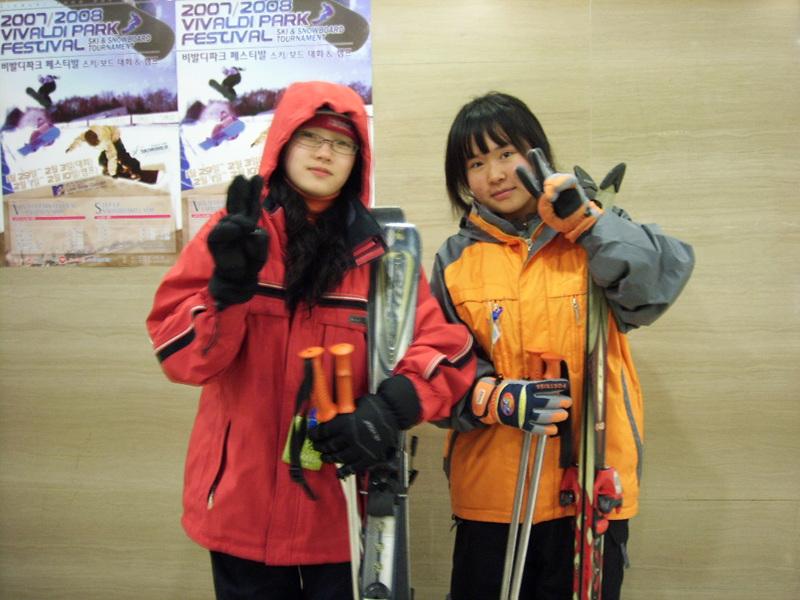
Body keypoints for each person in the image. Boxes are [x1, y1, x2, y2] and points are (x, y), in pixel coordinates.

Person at [146, 80, 476, 600]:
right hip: (240, 503)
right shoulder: (234, 236)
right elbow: (181, 359)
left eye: (343, 143)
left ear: (358, 161)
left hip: (341, 511)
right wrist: (226, 293)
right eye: (310, 137)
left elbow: (447, 350)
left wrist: (389, 409)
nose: (325, 152)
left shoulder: (381, 255)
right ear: (282, 142)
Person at [430, 92, 695, 600]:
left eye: (506, 153)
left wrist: (586, 223)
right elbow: (435, 368)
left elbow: (658, 284)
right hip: (493, 494)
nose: (495, 174)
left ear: (536, 155)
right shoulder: (455, 259)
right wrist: (495, 397)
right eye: (476, 163)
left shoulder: (593, 232)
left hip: (590, 491)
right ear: (462, 180)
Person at [66, 124, 142, 180]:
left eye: (96, 144)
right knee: (101, 161)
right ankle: (119, 169)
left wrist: (113, 173)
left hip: (114, 138)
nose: (95, 145)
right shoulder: (87, 135)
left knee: (122, 157)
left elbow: (112, 156)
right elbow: (79, 140)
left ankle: (136, 169)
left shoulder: (105, 141)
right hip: (107, 137)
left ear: (98, 140)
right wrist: (71, 148)